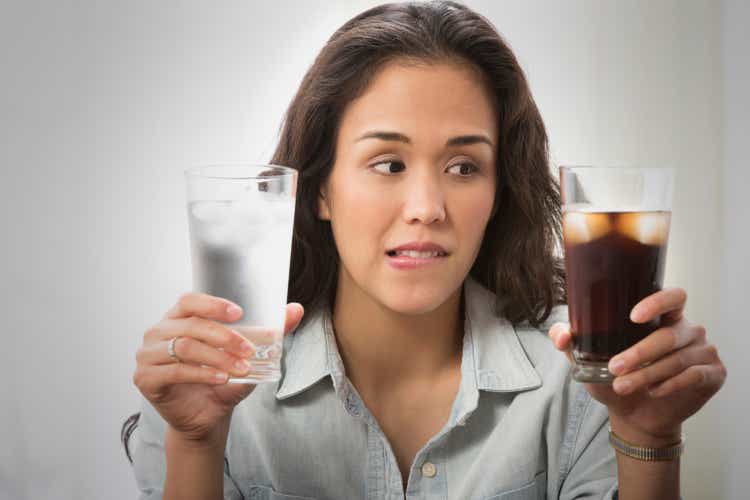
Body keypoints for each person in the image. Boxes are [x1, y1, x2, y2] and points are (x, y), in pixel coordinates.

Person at [124, 2, 726, 499]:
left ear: (498, 193)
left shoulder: (588, 381)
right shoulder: (207, 387)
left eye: (464, 166)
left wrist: (648, 436)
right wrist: (198, 444)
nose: (427, 206)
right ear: (319, 190)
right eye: (388, 163)